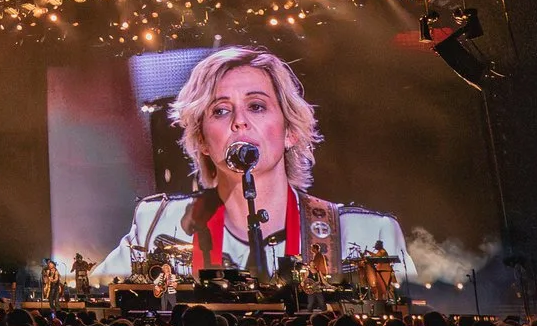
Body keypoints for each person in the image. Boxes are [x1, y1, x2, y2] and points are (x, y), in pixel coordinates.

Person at [96, 48, 404, 281]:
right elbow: (95, 298)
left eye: (256, 106)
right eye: (220, 111)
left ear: (290, 132)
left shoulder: (366, 234)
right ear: (202, 140)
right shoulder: (159, 222)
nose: (239, 122)